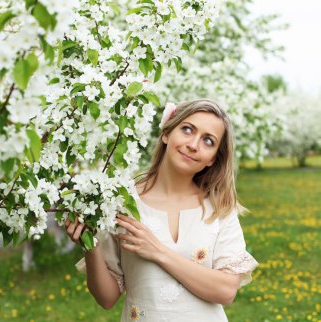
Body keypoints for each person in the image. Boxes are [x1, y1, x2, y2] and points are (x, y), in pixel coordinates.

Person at [65, 99, 259, 321]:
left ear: (212, 159)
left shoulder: (218, 208)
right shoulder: (120, 202)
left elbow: (225, 291)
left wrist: (158, 251)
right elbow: (107, 298)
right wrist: (90, 245)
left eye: (208, 141)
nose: (194, 144)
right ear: (167, 132)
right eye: (187, 129)